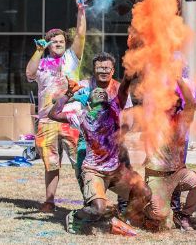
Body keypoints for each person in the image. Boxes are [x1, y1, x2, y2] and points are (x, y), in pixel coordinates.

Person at [49, 76, 151, 235]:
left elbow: (123, 89)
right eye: (95, 92)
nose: (100, 92)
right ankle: (75, 217)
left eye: (103, 92)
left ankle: (122, 219)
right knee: (98, 209)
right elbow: (53, 114)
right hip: (94, 171)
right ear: (89, 103)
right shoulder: (81, 116)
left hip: (116, 171)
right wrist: (69, 93)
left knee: (144, 192)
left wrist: (129, 74)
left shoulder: (114, 109)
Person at [25, 0, 89, 213]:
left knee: (80, 162)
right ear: (48, 44)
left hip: (71, 119)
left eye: (62, 41)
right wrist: (38, 51)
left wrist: (81, 12)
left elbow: (80, 35)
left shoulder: (72, 58)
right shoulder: (41, 62)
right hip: (47, 120)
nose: (59, 44)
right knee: (51, 164)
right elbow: (29, 73)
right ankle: (49, 201)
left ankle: (89, 201)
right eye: (55, 41)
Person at [144, 71, 196, 232]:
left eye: (177, 103)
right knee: (160, 216)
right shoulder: (154, 119)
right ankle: (146, 210)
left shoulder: (182, 122)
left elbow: (192, 103)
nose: (173, 105)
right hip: (156, 177)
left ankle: (183, 216)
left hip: (177, 174)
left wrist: (178, 79)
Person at [70, 52, 134, 209]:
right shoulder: (84, 86)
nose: (104, 71)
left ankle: (124, 206)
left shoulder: (119, 88)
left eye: (107, 68)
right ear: (94, 69)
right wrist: (70, 94)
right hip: (89, 139)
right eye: (100, 68)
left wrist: (121, 134)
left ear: (112, 70)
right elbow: (61, 102)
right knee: (82, 167)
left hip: (114, 137)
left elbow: (129, 116)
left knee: (125, 170)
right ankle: (91, 201)